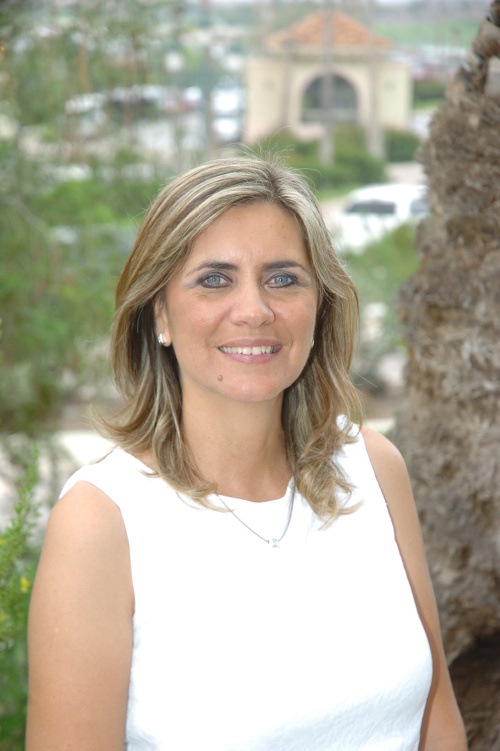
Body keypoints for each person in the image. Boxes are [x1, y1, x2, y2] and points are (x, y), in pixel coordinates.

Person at [26, 155, 467, 750]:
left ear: (320, 305)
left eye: (283, 278)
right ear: (159, 312)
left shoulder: (373, 468)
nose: (255, 310)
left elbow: (438, 715)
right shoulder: (103, 521)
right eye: (215, 279)